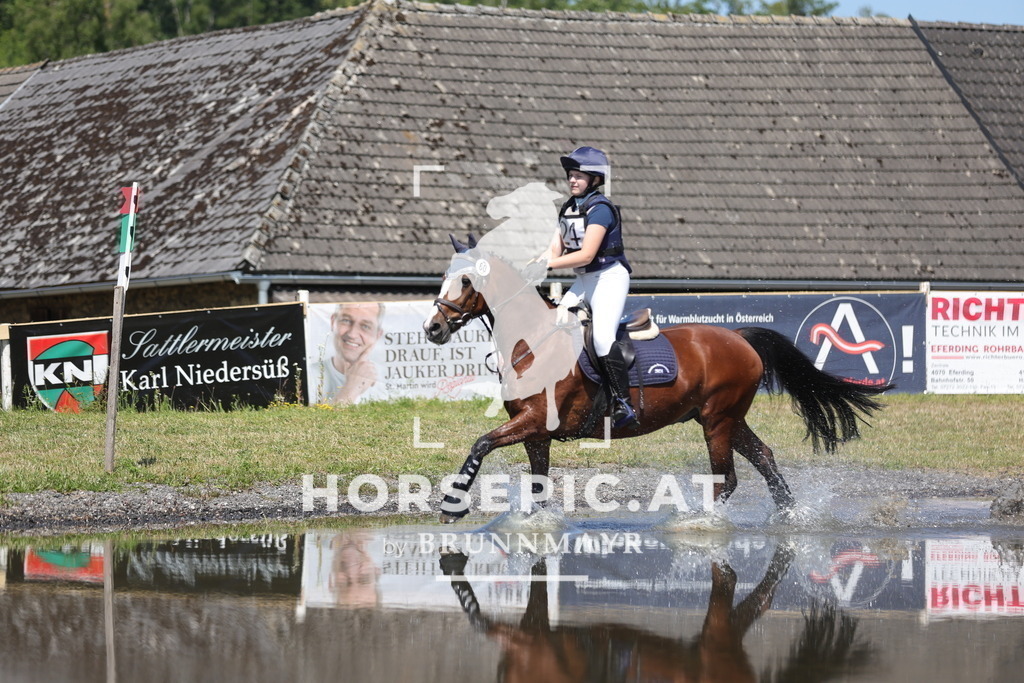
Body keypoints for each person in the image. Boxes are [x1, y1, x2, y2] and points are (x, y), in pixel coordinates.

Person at [543, 146, 638, 429]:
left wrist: (547, 266)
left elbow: (585, 255)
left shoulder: (601, 210)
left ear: (595, 179)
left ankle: (623, 403)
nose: (572, 180)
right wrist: (528, 265)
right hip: (585, 280)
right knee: (556, 323)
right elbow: (553, 250)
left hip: (609, 278)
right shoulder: (568, 208)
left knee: (601, 337)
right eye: (570, 175)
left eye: (579, 176)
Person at [318, 302, 387, 405]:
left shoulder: (391, 380)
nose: (352, 334)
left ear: (378, 335)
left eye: (366, 326)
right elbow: (320, 420)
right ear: (333, 322)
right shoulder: (307, 377)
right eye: (346, 321)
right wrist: (352, 387)